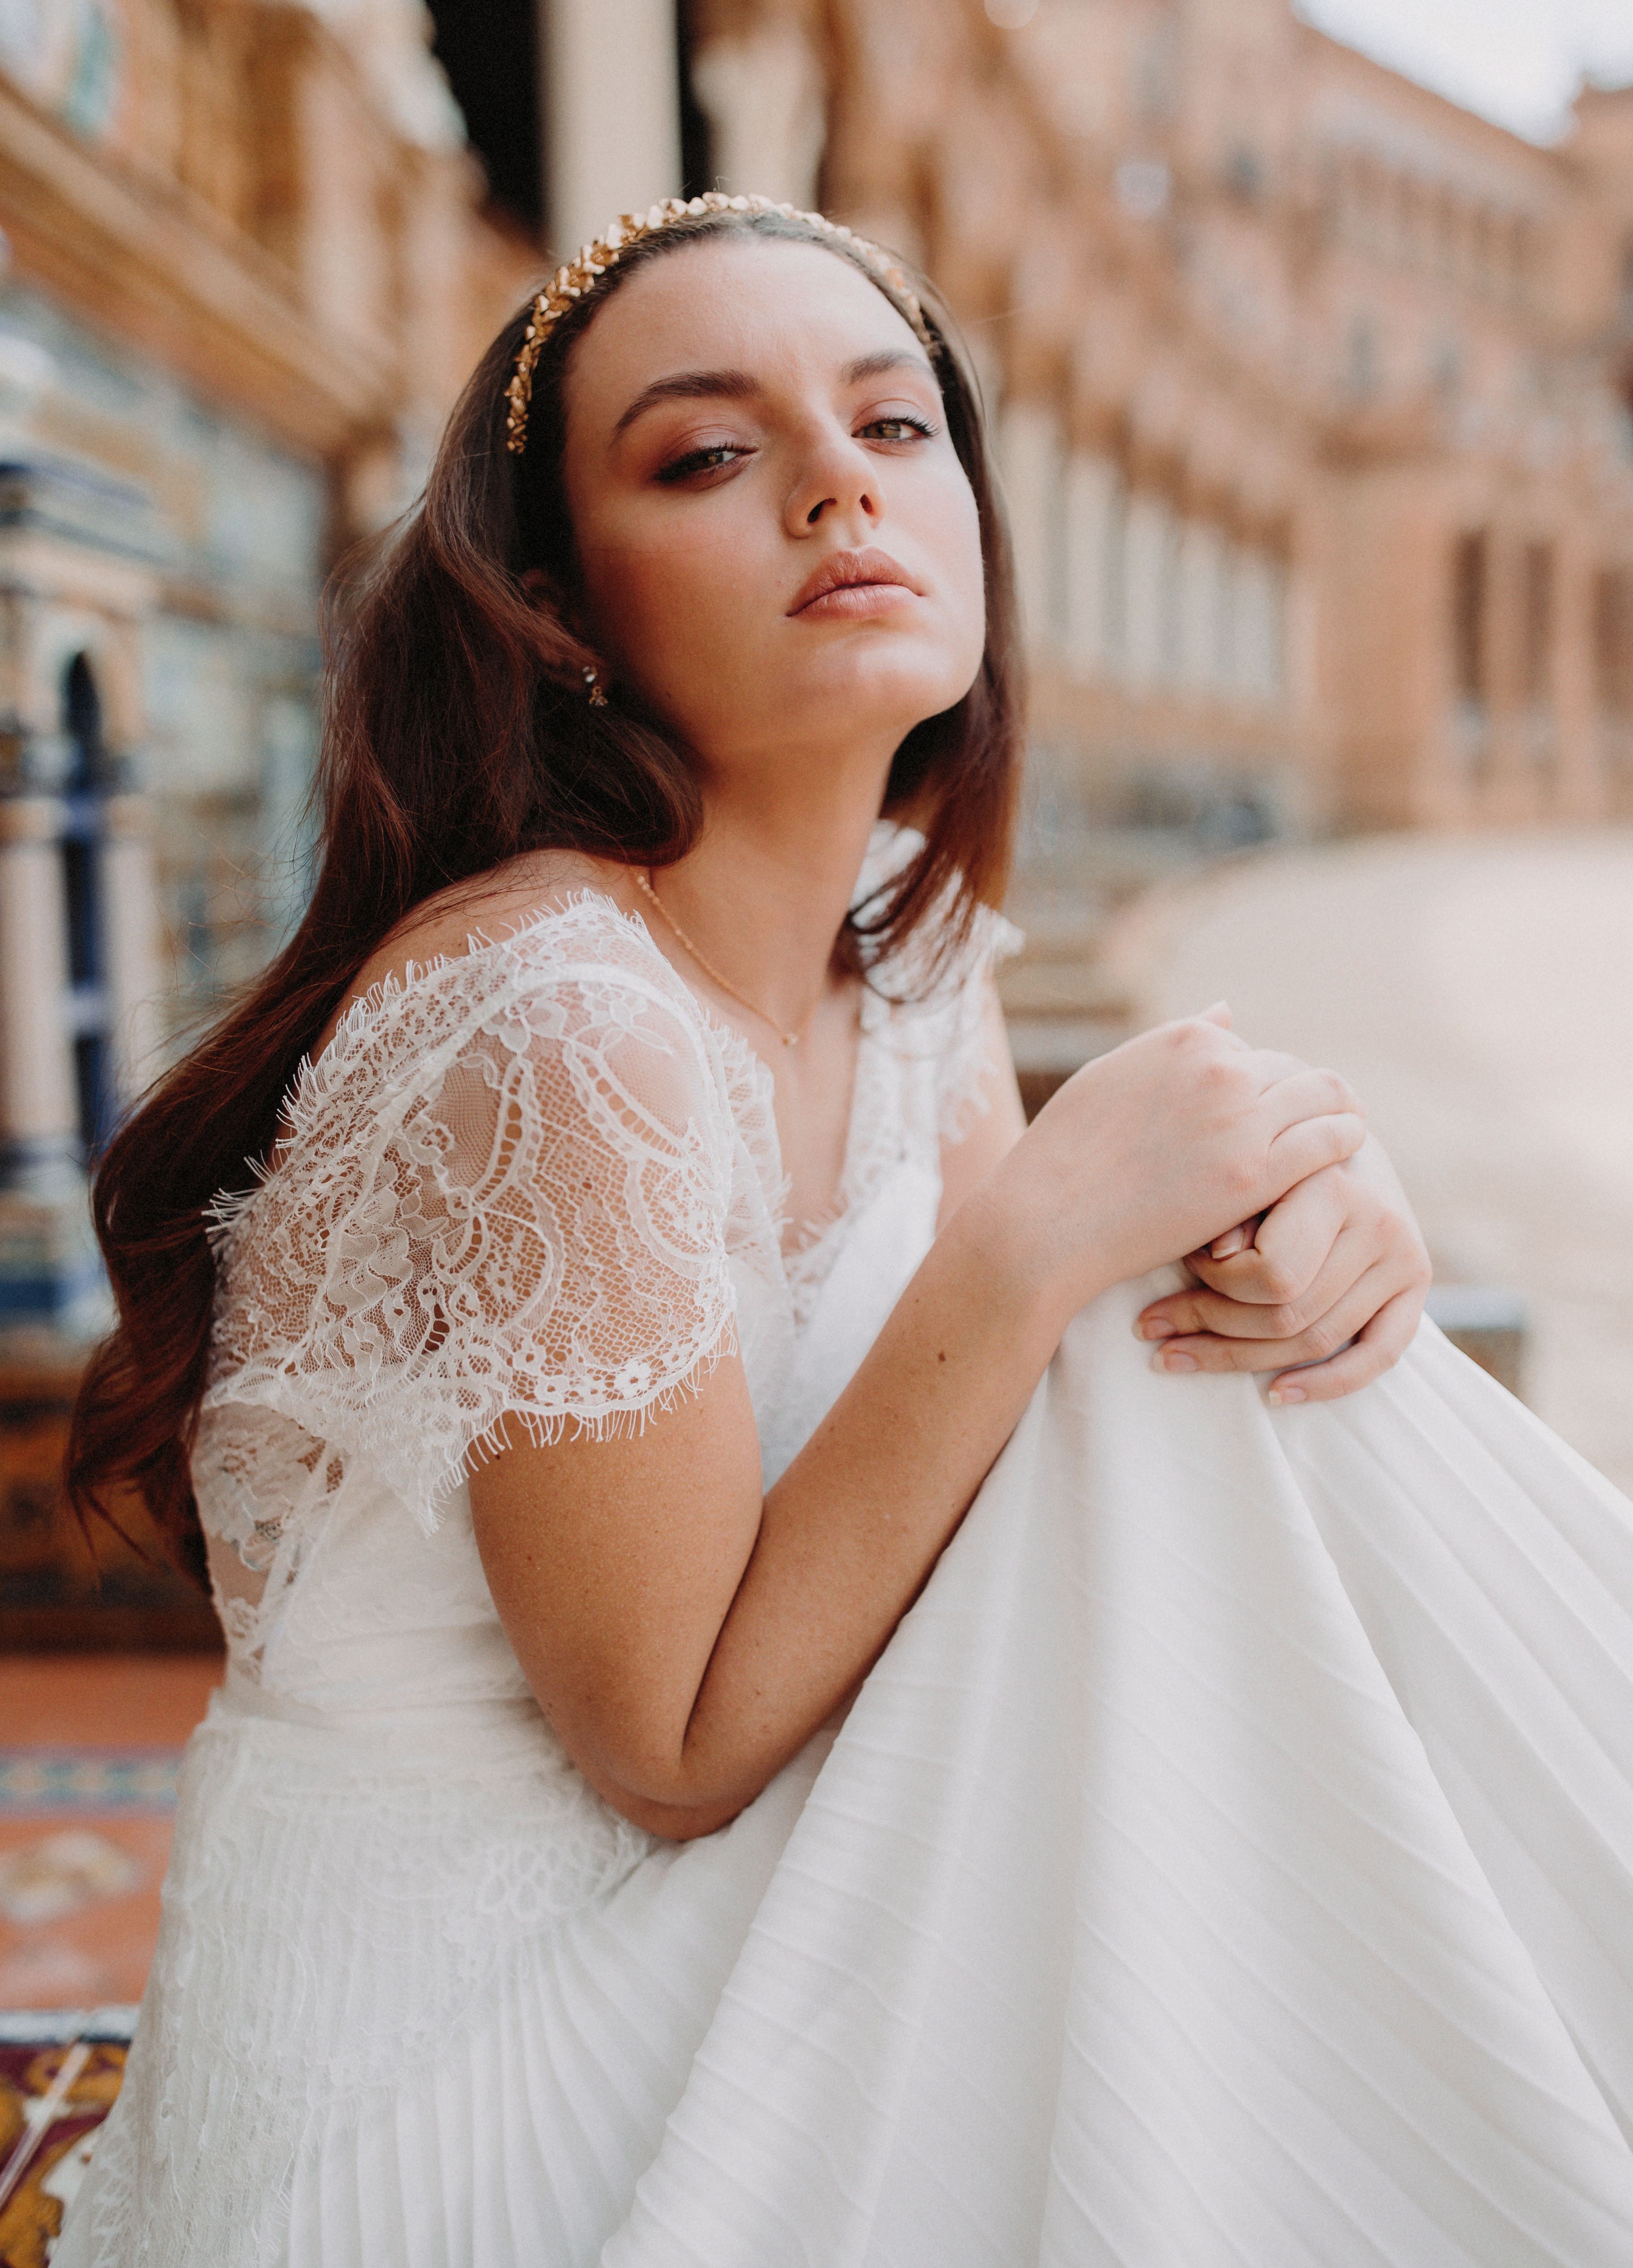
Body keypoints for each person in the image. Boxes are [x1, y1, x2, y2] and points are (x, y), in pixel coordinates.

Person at [57, 193, 1633, 2268]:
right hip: (458, 2058)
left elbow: (1017, 1446)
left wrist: (1310, 1225)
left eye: (897, 429)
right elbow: (672, 1746)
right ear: (557, 611)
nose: (837, 488)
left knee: (1212, 1370)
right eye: (712, 456)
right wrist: (1062, 1215)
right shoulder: (558, 1010)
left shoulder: (913, 964)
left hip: (765, 1903)